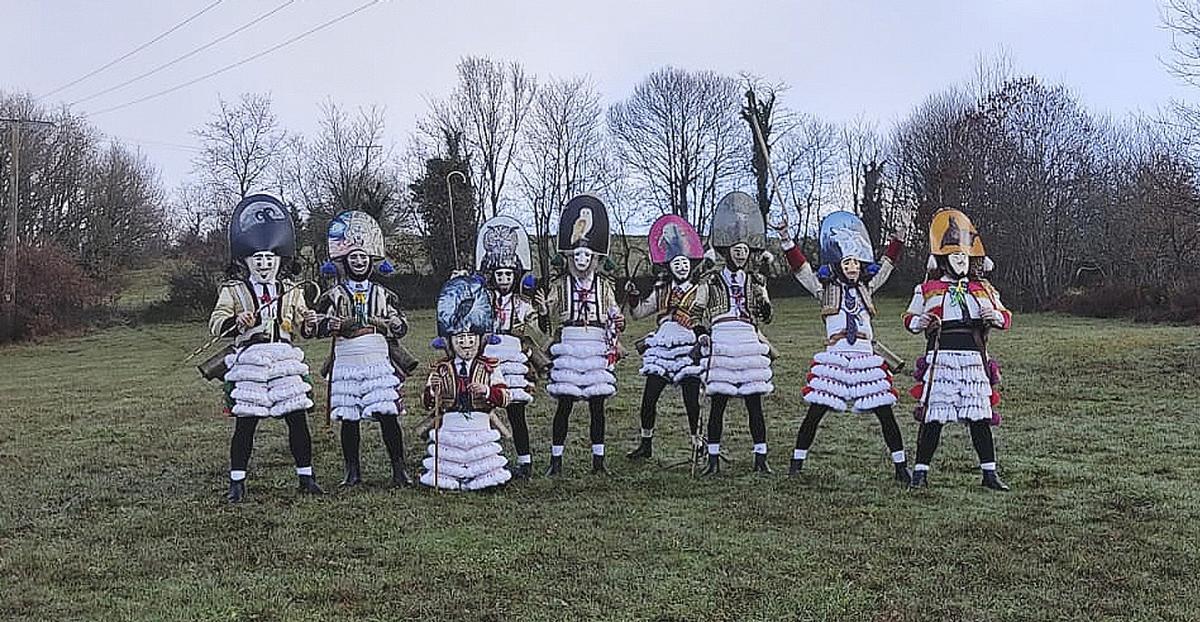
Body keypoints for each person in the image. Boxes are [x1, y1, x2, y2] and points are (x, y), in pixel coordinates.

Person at [777, 211, 910, 483]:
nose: (852, 268)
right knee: (816, 410)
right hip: (836, 355)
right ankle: (796, 462)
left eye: (856, 263)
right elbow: (802, 270)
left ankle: (900, 467)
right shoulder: (824, 289)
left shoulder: (867, 288)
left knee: (885, 411)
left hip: (864, 356)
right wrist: (786, 239)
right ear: (838, 264)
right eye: (847, 263)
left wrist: (898, 239)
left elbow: (886, 266)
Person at [207, 194, 323, 503]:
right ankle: (237, 481)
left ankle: (306, 477)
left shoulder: (292, 290)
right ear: (246, 261)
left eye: (269, 259)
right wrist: (237, 321)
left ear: (279, 261)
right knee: (246, 422)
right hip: (251, 359)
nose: (263, 264)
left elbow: (302, 326)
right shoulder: (233, 290)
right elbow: (216, 324)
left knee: (297, 418)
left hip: (284, 357)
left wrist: (309, 321)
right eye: (257, 259)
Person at [903, 208, 1011, 491]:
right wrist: (921, 322)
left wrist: (994, 317)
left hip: (974, 359)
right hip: (942, 359)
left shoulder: (984, 289)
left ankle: (989, 474)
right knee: (934, 417)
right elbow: (910, 319)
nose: (961, 261)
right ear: (943, 259)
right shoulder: (927, 289)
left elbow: (1005, 317)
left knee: (980, 417)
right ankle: (920, 473)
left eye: (964, 256)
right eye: (955, 256)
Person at [311, 210, 414, 488]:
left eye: (363, 257)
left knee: (387, 414)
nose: (358, 262)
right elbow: (315, 325)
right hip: (346, 357)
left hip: (376, 356)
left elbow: (401, 324)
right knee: (349, 416)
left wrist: (393, 323)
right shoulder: (333, 295)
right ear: (345, 261)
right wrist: (329, 324)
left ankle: (399, 470)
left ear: (371, 260)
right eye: (353, 257)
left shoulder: (383, 293)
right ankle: (352, 472)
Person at [536, 194, 626, 476]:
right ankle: (556, 460)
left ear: (595, 258)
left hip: (596, 343)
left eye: (587, 255)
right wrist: (543, 310)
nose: (582, 260)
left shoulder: (604, 285)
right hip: (570, 343)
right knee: (564, 403)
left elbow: (613, 311)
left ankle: (598, 461)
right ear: (570, 257)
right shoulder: (561, 284)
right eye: (577, 255)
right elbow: (547, 314)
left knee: (597, 405)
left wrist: (618, 320)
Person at [700, 191, 775, 475]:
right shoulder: (711, 279)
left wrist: (764, 303)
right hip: (722, 337)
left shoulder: (756, 280)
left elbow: (767, 317)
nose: (740, 253)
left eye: (744, 249)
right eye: (736, 248)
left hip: (747, 338)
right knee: (719, 401)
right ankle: (713, 459)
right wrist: (701, 332)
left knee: (754, 401)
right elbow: (696, 310)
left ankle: (761, 458)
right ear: (727, 250)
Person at [624, 215, 708, 461]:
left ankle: (697, 442)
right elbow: (639, 313)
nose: (681, 267)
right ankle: (645, 443)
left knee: (691, 398)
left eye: (684, 263)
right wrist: (633, 297)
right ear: (669, 266)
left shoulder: (700, 291)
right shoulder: (661, 290)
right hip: (662, 345)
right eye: (676, 263)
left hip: (688, 345)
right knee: (649, 397)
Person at [420, 275, 513, 491]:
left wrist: (487, 391)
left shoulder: (489, 367)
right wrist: (433, 392)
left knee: (485, 468)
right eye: (460, 339)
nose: (466, 344)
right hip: (450, 428)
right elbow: (427, 403)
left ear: (480, 340)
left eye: (471, 339)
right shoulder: (441, 368)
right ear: (450, 342)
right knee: (447, 467)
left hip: (480, 428)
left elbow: (506, 397)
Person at [475, 215, 544, 479]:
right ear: (493, 276)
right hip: (488, 357)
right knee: (483, 409)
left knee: (516, 411)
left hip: (513, 358)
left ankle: (525, 461)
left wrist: (542, 314)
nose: (504, 278)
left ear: (515, 277)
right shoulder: (483, 300)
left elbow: (537, 329)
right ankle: (487, 459)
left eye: (508, 274)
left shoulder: (523, 303)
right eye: (499, 274)